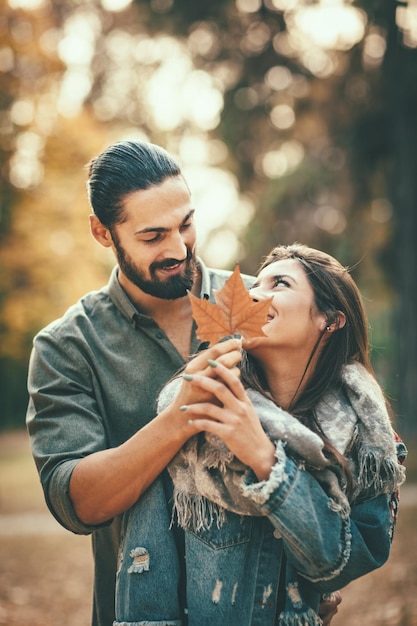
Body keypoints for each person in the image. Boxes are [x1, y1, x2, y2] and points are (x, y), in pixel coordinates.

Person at [26, 140, 340, 626]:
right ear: (102, 232)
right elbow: (76, 503)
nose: (178, 249)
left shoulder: (264, 305)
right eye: (153, 236)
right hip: (138, 608)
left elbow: (328, 449)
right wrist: (180, 418)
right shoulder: (67, 346)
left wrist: (312, 580)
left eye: (186, 224)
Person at [113, 244, 406, 626]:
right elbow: (147, 588)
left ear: (330, 320)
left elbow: (344, 564)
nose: (253, 294)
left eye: (280, 283)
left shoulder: (369, 439)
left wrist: (265, 458)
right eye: (256, 284)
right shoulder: (195, 417)